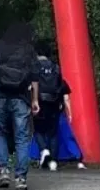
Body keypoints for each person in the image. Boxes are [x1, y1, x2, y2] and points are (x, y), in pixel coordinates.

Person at [0, 22, 39, 190]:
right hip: (21, 97)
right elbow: (35, 76)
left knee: (0, 132)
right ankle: (21, 178)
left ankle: (4, 171)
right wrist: (35, 99)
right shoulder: (27, 49)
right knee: (22, 137)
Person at [32, 41, 82, 171]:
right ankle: (53, 161)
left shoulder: (34, 66)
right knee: (53, 133)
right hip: (54, 103)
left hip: (39, 101)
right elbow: (63, 90)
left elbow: (31, 84)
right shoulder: (55, 67)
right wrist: (68, 110)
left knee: (38, 130)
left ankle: (44, 150)